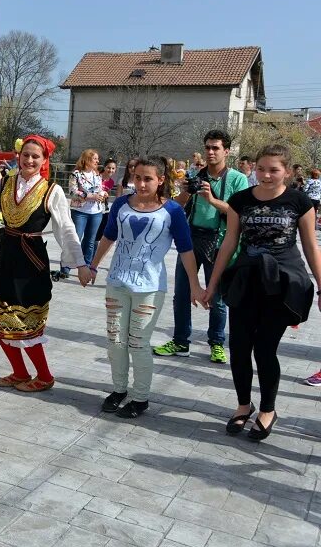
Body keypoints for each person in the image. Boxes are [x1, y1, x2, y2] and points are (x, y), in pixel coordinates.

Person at [0, 135, 92, 392]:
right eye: (26, 155)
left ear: (45, 160)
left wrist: (79, 264)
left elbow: (66, 229)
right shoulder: (5, 184)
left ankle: (44, 376)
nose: (30, 160)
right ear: (19, 157)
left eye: (36, 156)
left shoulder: (51, 190)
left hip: (32, 261)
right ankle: (20, 372)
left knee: (25, 320)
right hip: (7, 256)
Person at [204, 144, 321, 441]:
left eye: (274, 170)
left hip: (281, 283)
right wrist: (213, 284)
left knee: (265, 349)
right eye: (261, 169)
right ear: (254, 168)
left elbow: (310, 246)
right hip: (246, 280)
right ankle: (244, 405)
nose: (266, 175)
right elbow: (229, 242)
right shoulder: (240, 200)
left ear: (288, 171)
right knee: (239, 347)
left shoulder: (300, 201)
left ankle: (268, 409)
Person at [89, 156, 205, 419]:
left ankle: (140, 398)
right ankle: (119, 390)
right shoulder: (120, 203)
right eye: (137, 177)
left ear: (161, 180)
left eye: (148, 178)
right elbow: (109, 236)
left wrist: (195, 286)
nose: (141, 183)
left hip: (149, 288)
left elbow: (186, 250)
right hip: (117, 283)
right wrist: (93, 266)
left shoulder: (172, 210)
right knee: (115, 341)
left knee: (138, 344)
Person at [154, 130, 248, 363]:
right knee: (182, 294)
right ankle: (180, 341)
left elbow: (240, 212)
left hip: (220, 240)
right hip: (191, 237)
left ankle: (216, 343)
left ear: (226, 151)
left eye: (215, 148)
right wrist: (186, 191)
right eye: (207, 147)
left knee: (216, 296)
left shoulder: (237, 179)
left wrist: (212, 200)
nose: (210, 152)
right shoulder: (196, 175)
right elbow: (177, 206)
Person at [57, 149, 107, 280]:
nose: (97, 161)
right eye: (95, 158)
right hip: (80, 211)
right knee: (75, 239)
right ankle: (65, 267)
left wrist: (102, 195)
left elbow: (100, 189)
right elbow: (73, 192)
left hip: (96, 212)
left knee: (90, 241)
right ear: (87, 159)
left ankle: (87, 266)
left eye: (97, 159)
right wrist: (90, 196)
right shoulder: (76, 174)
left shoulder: (97, 174)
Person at [94, 158, 117, 242]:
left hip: (103, 206)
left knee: (102, 227)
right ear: (104, 167)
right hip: (93, 204)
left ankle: (97, 242)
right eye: (108, 167)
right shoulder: (97, 176)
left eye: (113, 168)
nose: (110, 170)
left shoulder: (111, 182)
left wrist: (106, 195)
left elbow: (106, 193)